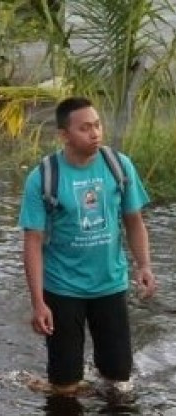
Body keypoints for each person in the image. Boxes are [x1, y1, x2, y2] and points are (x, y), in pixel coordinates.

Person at [19, 96, 157, 395]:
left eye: (97, 125)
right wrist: (38, 302)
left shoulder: (119, 166)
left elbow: (134, 221)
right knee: (64, 386)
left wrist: (144, 265)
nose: (95, 133)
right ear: (64, 135)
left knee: (118, 381)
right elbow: (32, 242)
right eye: (84, 128)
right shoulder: (43, 177)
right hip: (62, 288)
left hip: (110, 285)